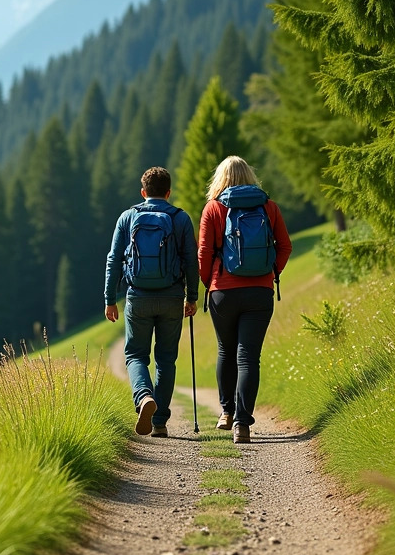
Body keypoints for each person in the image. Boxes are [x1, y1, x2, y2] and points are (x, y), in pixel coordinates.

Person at [197, 156, 292, 444]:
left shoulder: (214, 208)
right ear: (250, 175)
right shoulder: (268, 207)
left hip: (223, 292)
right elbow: (285, 246)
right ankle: (242, 424)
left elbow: (203, 253)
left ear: (220, 178)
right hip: (260, 292)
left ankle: (226, 412)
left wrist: (209, 283)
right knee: (248, 356)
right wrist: (270, 272)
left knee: (226, 350)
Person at [104, 167, 199, 437]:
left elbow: (113, 260)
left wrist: (110, 299)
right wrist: (192, 296)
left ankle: (144, 396)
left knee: (135, 354)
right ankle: (159, 422)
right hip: (171, 296)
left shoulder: (128, 217)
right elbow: (192, 261)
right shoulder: (180, 219)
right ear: (169, 193)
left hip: (138, 296)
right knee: (166, 359)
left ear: (143, 192)